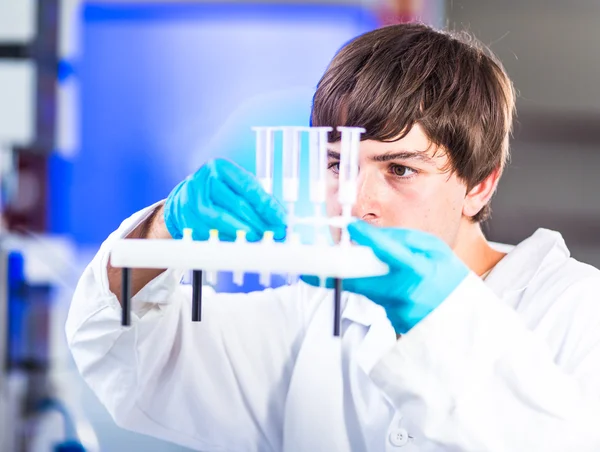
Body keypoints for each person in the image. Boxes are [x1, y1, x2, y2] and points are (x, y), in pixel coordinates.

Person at [65, 23, 600, 451]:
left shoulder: (576, 310)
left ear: (479, 187)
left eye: (400, 170)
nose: (356, 200)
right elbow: (124, 356)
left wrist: (443, 318)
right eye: (338, 163)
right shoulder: (313, 313)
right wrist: (163, 232)